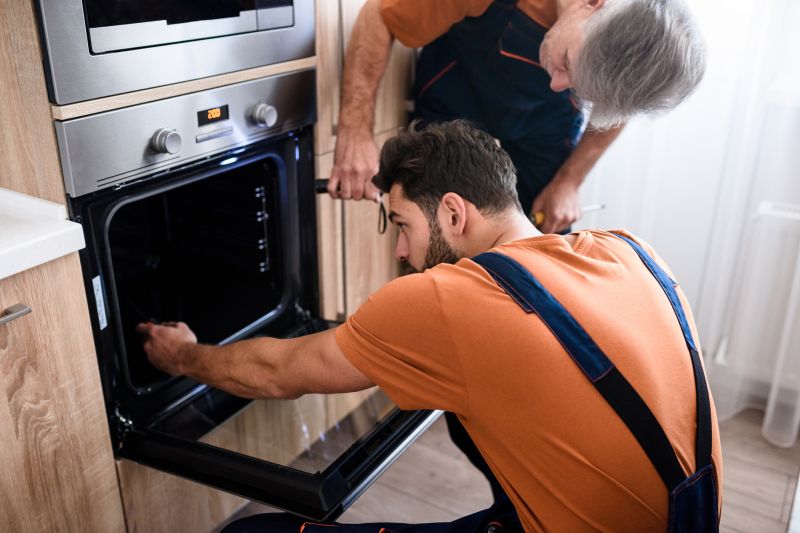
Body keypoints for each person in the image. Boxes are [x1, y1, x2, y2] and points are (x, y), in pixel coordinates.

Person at [140, 121, 722, 532]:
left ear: (452, 211)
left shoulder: (449, 299)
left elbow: (275, 372)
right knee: (470, 421)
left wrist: (185, 357)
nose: (400, 252)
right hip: (690, 519)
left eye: (401, 224)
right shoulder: (629, 250)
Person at [328, 0, 705, 234]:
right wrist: (355, 132)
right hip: (459, 86)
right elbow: (379, 17)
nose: (558, 84)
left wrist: (568, 182)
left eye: (579, 87)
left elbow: (617, 106)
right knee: (438, 224)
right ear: (592, 3)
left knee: (546, 237)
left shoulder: (636, 36)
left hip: (546, 123)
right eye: (568, 63)